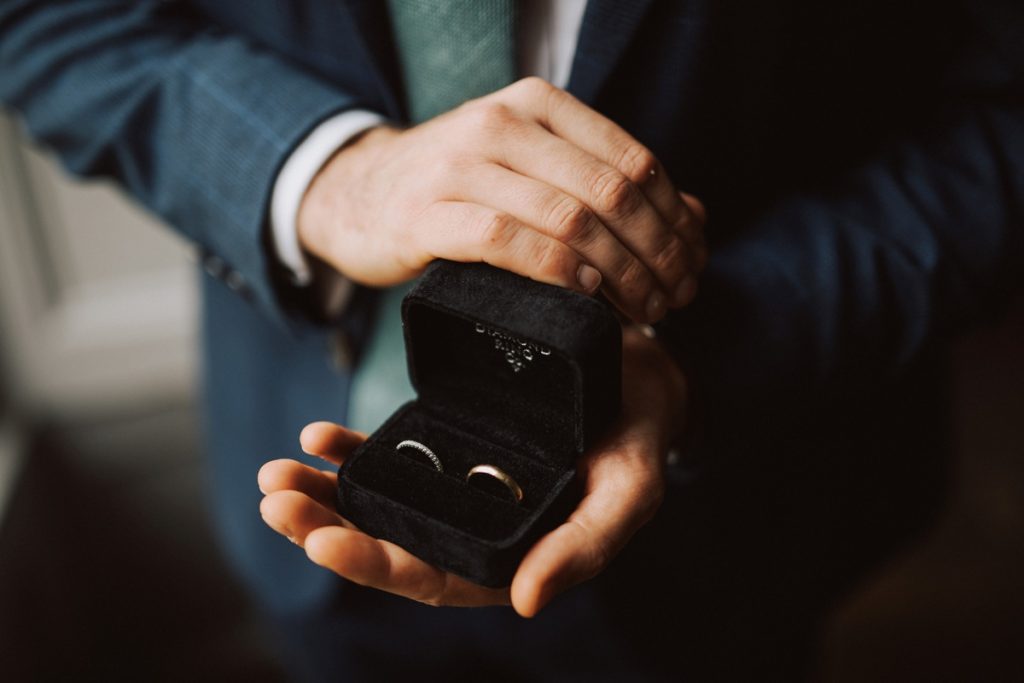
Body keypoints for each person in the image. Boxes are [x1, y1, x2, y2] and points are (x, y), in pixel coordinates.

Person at [2, 1, 1021, 680]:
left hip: (737, 530)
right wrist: (322, 173)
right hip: (311, 497)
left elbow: (998, 116)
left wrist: (700, 353)